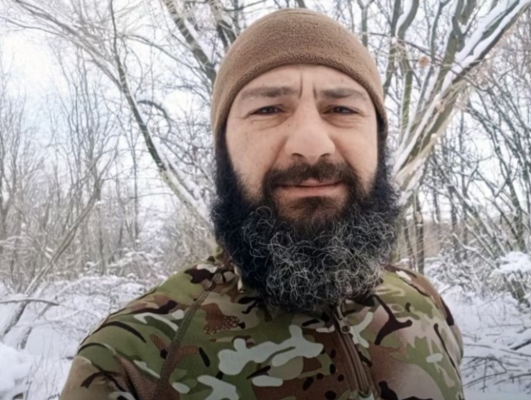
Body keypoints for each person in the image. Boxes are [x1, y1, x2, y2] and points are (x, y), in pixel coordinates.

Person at [60, 8, 464, 400]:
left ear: (378, 141)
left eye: (342, 109)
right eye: (268, 109)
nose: (312, 145)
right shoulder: (128, 363)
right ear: (223, 149)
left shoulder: (424, 304)